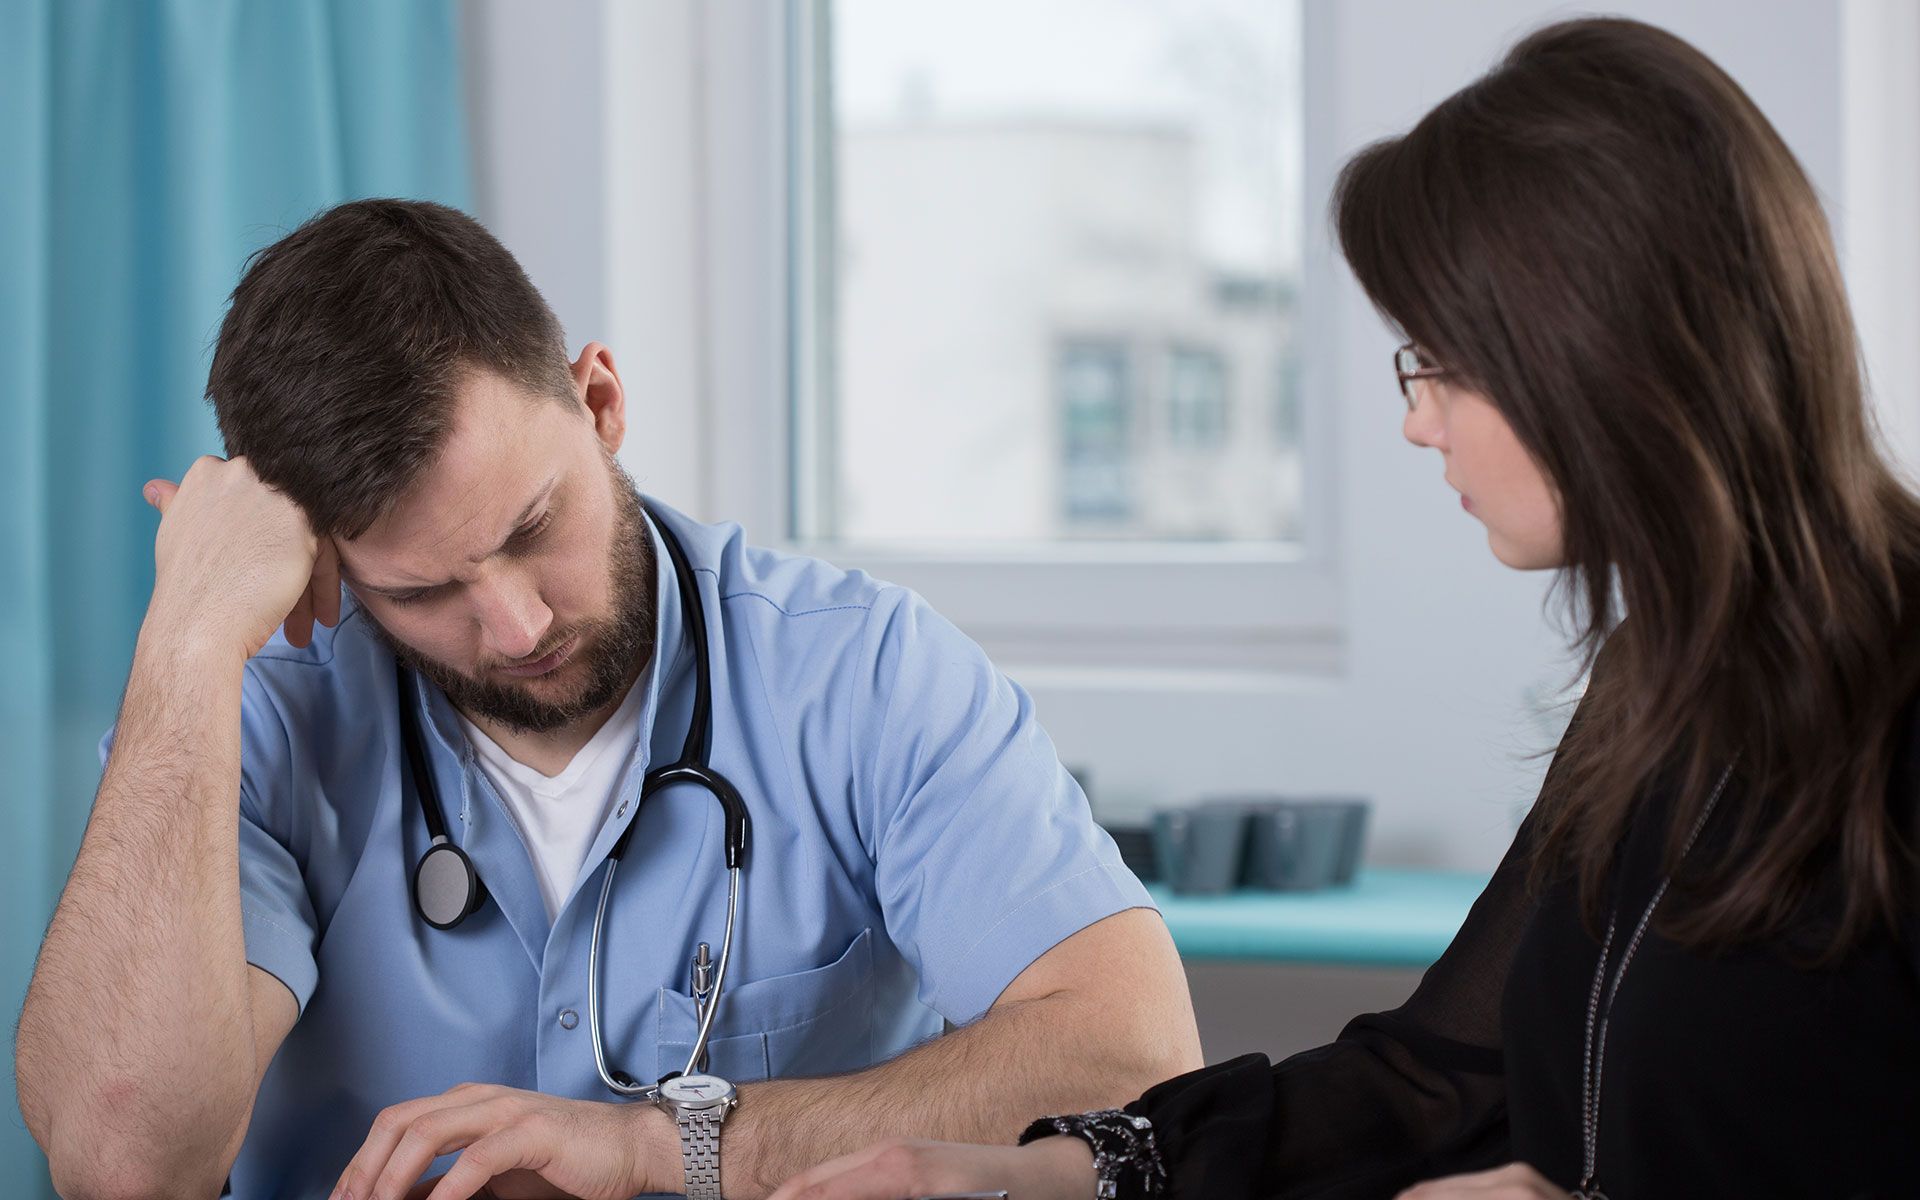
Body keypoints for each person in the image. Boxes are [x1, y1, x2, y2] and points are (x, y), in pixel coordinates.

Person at [769, 17, 1920, 1200]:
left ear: (1595, 347)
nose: (1419, 418)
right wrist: (1024, 1176)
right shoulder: (1658, 681)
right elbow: (1436, 1085)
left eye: (1442, 362)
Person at [12, 199, 1203, 1200]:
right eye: (425, 590)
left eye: (535, 527)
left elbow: (1133, 1053)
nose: (517, 626)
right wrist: (185, 639)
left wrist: (665, 1146)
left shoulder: (865, 676)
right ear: (325, 564)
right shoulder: (257, 719)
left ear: (599, 402)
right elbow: (125, 1164)